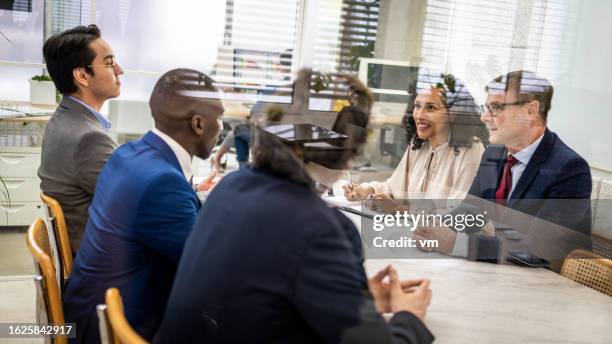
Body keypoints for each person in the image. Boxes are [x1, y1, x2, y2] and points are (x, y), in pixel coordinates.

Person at [156, 84, 434, 343]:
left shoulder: (231, 186)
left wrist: (354, 299)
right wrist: (409, 317)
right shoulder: (321, 227)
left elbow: (267, 291)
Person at [62, 69, 224, 343]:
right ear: (198, 123)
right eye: (218, 117)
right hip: (112, 328)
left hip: (87, 307)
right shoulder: (163, 183)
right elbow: (212, 269)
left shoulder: (128, 153)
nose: (221, 127)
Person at [414, 70, 592, 255]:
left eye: (496, 108)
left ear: (530, 111)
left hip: (546, 279)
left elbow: (537, 248)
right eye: (487, 108)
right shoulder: (495, 152)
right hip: (497, 270)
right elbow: (471, 209)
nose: (485, 117)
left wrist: (456, 244)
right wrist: (435, 229)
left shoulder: (570, 169)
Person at [38, 24, 123, 252]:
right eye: (109, 62)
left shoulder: (63, 119)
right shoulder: (89, 138)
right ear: (83, 76)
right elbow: (133, 201)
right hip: (99, 264)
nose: (119, 70)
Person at [344, 72, 487, 202]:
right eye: (417, 106)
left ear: (453, 112)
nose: (419, 115)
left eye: (431, 108)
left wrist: (400, 211)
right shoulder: (419, 144)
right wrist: (367, 190)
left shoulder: (471, 149)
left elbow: (458, 215)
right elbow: (395, 187)